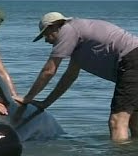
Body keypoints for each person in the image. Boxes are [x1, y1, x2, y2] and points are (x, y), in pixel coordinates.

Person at [17, 12, 138, 142]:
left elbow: (49, 70)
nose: (46, 40)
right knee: (134, 120)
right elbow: (69, 77)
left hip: (132, 59)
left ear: (54, 27)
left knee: (117, 121)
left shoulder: (67, 30)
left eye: (46, 35)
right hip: (132, 59)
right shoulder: (79, 41)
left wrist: (27, 98)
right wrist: (45, 103)